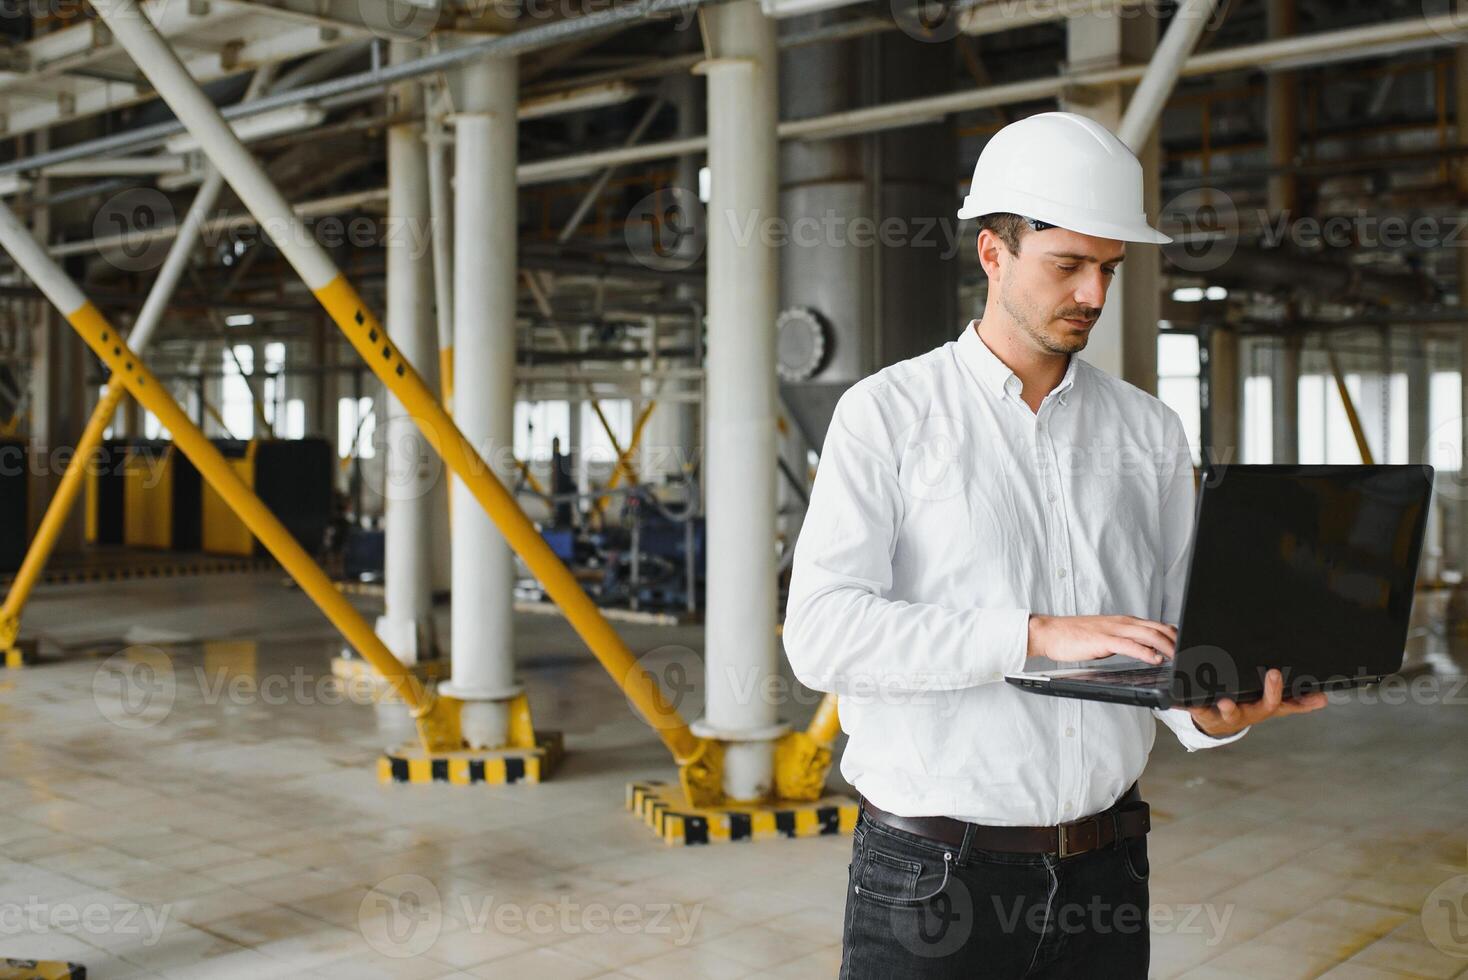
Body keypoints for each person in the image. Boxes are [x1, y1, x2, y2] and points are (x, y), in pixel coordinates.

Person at [782, 111, 1328, 979]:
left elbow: (1170, 630)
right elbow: (822, 635)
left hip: (1108, 868)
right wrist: (1034, 634)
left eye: (1109, 268)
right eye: (1068, 265)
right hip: (933, 880)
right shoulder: (888, 415)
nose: (1095, 296)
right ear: (992, 253)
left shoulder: (1148, 430)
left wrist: (1213, 708)